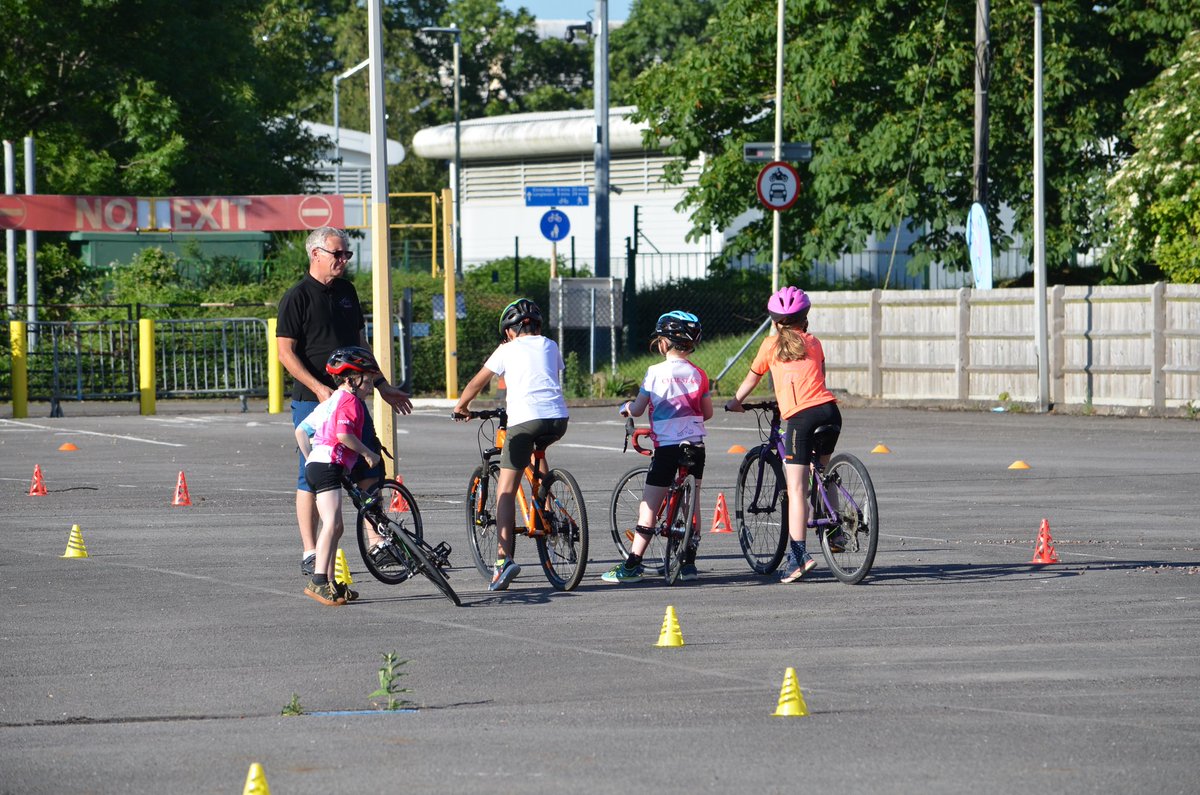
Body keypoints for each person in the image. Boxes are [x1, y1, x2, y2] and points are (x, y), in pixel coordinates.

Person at [276, 226, 412, 578]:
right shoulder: (297, 297)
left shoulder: (348, 292)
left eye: (346, 254)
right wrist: (319, 388)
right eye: (338, 254)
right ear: (315, 254)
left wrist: (381, 384)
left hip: (352, 397)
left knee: (369, 467)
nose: (343, 260)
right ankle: (310, 551)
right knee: (314, 474)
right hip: (314, 400)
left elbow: (360, 345)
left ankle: (377, 542)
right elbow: (285, 353)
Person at [725, 286, 842, 583]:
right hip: (830, 412)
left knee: (796, 489)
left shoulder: (770, 346)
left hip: (801, 419)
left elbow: (752, 379)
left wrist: (735, 402)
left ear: (776, 322)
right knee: (822, 470)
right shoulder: (814, 342)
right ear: (806, 319)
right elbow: (819, 377)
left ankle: (798, 556)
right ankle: (835, 529)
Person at [452, 298, 569, 592]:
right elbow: (546, 379)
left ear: (509, 331)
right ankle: (545, 505)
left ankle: (504, 562)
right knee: (538, 451)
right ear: (538, 326)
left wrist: (461, 406)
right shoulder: (551, 346)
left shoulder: (507, 349)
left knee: (505, 490)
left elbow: (477, 383)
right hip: (558, 419)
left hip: (523, 421)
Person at [603, 311, 713, 584]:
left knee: (649, 504)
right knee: (692, 501)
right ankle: (689, 562)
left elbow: (638, 409)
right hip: (696, 446)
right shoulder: (700, 374)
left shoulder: (654, 372)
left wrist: (626, 408)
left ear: (664, 343)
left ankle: (633, 564)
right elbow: (707, 412)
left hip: (667, 447)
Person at [295, 347, 383, 605]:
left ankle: (331, 583)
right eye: (366, 381)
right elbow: (344, 436)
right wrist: (368, 454)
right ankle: (319, 581)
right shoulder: (349, 401)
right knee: (332, 524)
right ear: (349, 380)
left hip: (317, 465)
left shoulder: (331, 400)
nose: (369, 387)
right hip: (329, 465)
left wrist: (311, 457)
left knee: (335, 526)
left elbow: (301, 431)